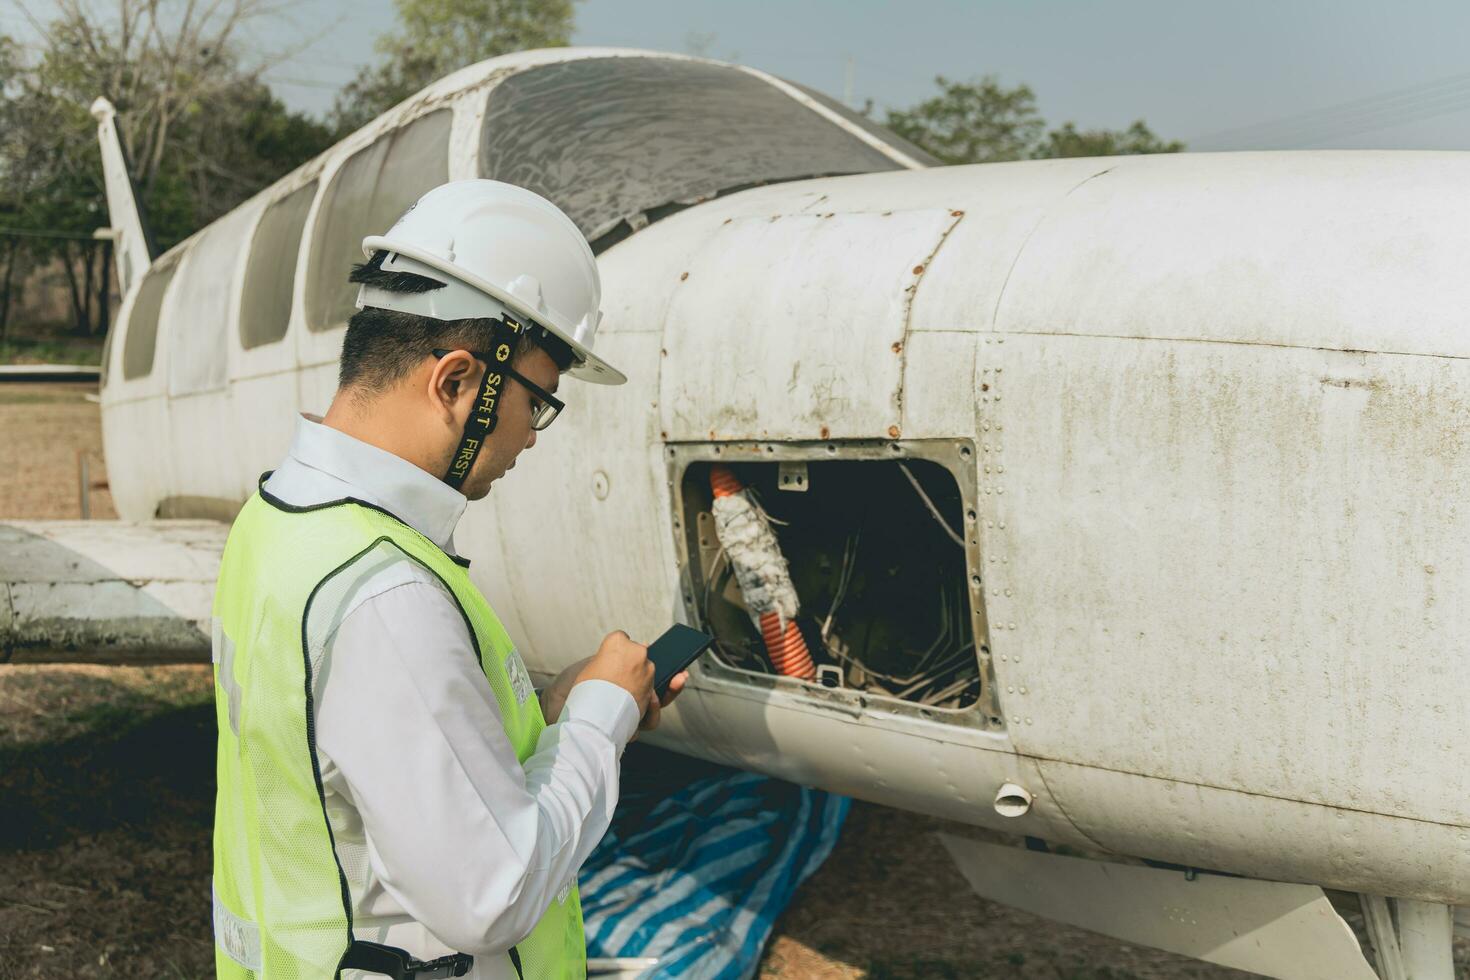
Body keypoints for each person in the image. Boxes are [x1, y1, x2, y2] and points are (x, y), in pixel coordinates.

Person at [209, 180, 684, 980]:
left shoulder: (283, 516)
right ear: (457, 381)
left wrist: (555, 717)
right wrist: (602, 718)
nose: (532, 438)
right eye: (538, 404)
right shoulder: (387, 596)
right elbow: (491, 892)